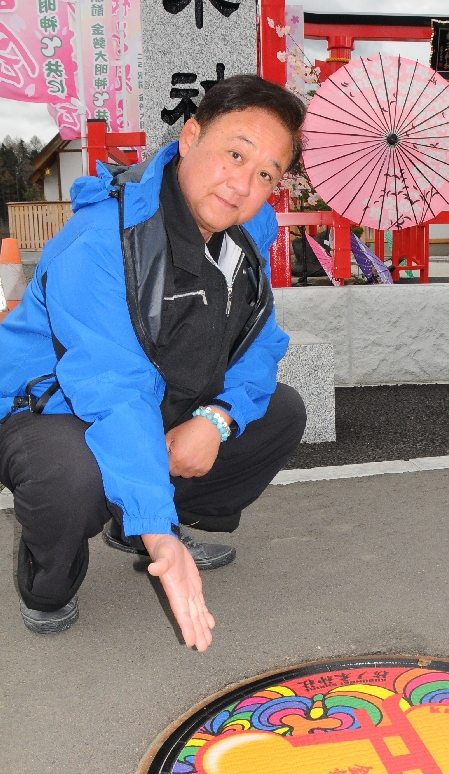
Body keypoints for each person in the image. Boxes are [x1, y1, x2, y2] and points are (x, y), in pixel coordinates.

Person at [0, 75, 308, 650]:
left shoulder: (244, 238)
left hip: (150, 396)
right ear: (191, 137)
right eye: (234, 153)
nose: (243, 184)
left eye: (266, 173)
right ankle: (50, 576)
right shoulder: (103, 239)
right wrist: (159, 531)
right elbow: (114, 386)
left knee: (279, 412)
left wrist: (216, 419)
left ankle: (132, 526)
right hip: (46, 407)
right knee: (71, 474)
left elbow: (259, 342)